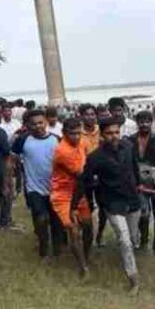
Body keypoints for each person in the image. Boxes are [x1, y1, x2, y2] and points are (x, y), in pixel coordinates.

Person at [75, 116, 143, 294]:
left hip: (132, 199)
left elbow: (135, 167)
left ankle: (129, 256)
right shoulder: (95, 158)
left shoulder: (129, 147)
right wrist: (78, 203)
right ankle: (133, 278)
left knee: (134, 239)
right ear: (102, 135)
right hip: (112, 202)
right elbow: (85, 180)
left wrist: (139, 184)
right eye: (109, 133)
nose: (114, 136)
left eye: (116, 132)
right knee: (125, 240)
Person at [9, 109, 64, 260]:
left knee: (56, 220)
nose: (38, 126)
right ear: (27, 125)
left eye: (40, 122)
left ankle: (58, 249)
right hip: (34, 189)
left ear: (46, 122)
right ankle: (43, 249)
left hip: (55, 188)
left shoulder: (57, 139)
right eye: (33, 124)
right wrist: (10, 177)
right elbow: (12, 158)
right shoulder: (23, 140)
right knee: (40, 218)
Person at [50, 117, 92, 276]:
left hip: (78, 191)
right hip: (63, 194)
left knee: (88, 226)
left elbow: (89, 157)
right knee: (73, 230)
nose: (76, 137)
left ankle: (85, 257)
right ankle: (83, 268)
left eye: (78, 133)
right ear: (64, 133)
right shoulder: (62, 151)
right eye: (72, 133)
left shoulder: (82, 142)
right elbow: (82, 172)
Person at [131, 110, 155, 253]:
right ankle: (144, 241)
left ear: (151, 122)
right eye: (142, 121)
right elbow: (129, 162)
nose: (145, 124)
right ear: (137, 123)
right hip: (139, 183)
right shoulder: (130, 140)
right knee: (144, 214)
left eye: (148, 121)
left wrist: (152, 170)